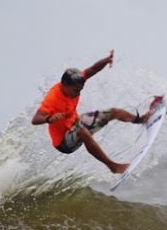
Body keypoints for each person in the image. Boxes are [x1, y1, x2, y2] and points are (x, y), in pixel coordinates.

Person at [31, 50, 159, 174]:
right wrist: (48, 119)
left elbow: (92, 69)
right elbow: (35, 119)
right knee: (82, 131)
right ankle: (113, 166)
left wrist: (107, 60)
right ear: (64, 84)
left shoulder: (76, 80)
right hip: (63, 142)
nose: (78, 93)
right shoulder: (53, 98)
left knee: (113, 112)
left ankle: (141, 120)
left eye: (80, 90)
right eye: (75, 90)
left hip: (75, 123)